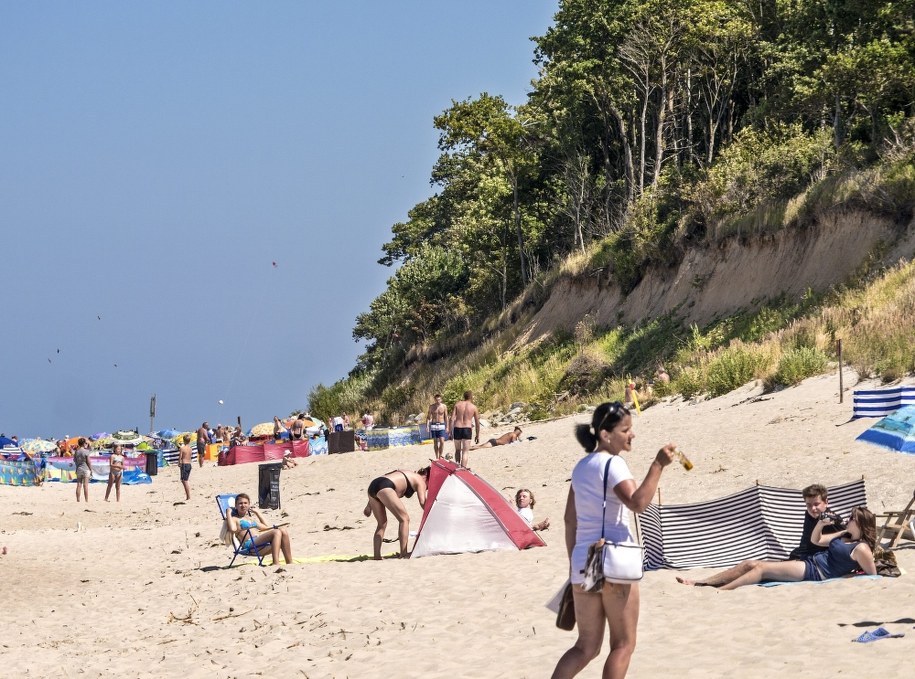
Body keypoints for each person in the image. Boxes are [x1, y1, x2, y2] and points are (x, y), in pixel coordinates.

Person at [552, 401, 676, 679]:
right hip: (614, 562)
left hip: (584, 561)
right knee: (622, 645)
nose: (632, 435)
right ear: (606, 435)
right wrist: (658, 465)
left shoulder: (582, 467)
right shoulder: (614, 463)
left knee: (585, 647)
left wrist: (576, 561)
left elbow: (570, 520)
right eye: (626, 430)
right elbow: (637, 503)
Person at [676, 506, 878, 589]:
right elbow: (816, 540)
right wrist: (821, 524)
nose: (849, 519)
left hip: (816, 572)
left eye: (852, 518)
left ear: (861, 524)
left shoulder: (862, 549)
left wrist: (845, 576)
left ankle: (722, 590)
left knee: (761, 569)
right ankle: (702, 583)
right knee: (750, 563)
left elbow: (872, 576)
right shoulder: (844, 535)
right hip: (808, 563)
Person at [362, 467, 430, 560]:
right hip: (386, 487)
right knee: (404, 519)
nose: (427, 489)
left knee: (382, 524)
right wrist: (431, 513)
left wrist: (369, 505)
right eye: (429, 486)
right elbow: (423, 502)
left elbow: (384, 479)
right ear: (427, 477)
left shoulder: (407, 471)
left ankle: (377, 556)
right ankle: (403, 553)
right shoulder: (420, 480)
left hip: (374, 485)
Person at [225, 492, 294, 565]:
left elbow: (266, 527)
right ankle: (276, 563)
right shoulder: (235, 519)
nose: (243, 505)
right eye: (240, 503)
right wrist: (228, 514)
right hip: (250, 545)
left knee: (283, 530)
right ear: (236, 505)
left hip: (259, 542)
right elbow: (232, 529)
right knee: (276, 532)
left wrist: (258, 513)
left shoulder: (250, 518)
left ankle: (289, 562)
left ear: (249, 505)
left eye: (245, 503)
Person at [788, 483, 842, 560]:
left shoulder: (833, 520)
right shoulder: (809, 515)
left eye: (816, 504)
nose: (813, 508)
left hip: (819, 560)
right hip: (801, 555)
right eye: (809, 505)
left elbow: (848, 538)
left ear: (826, 502)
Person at [450, 390, 480, 468]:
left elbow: (452, 418)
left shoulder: (457, 405)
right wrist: (477, 435)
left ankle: (457, 467)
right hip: (467, 429)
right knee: (465, 452)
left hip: (457, 428)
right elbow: (477, 422)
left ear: (464, 396)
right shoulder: (473, 407)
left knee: (457, 450)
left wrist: (450, 432)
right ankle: (463, 469)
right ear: (471, 397)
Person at [426, 394, 449, 460]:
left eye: (439, 399)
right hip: (434, 425)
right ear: (434, 400)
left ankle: (440, 456)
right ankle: (436, 457)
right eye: (436, 400)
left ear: (441, 399)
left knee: (442, 441)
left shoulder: (444, 406)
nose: (437, 401)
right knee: (435, 442)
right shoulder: (431, 407)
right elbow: (428, 417)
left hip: (441, 425)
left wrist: (447, 427)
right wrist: (427, 426)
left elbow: (446, 417)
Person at [73, 438, 92, 503]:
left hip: (79, 468)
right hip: (85, 468)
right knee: (85, 485)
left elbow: (75, 461)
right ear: (84, 443)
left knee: (79, 484)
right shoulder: (86, 451)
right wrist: (91, 469)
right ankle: (86, 500)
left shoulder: (76, 451)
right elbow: (88, 462)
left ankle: (78, 500)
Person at [178, 434, 192, 500]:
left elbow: (180, 457)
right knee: (184, 480)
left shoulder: (182, 448)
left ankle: (188, 496)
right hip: (189, 464)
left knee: (184, 481)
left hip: (184, 464)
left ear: (183, 440)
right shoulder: (190, 448)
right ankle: (188, 496)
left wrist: (179, 463)